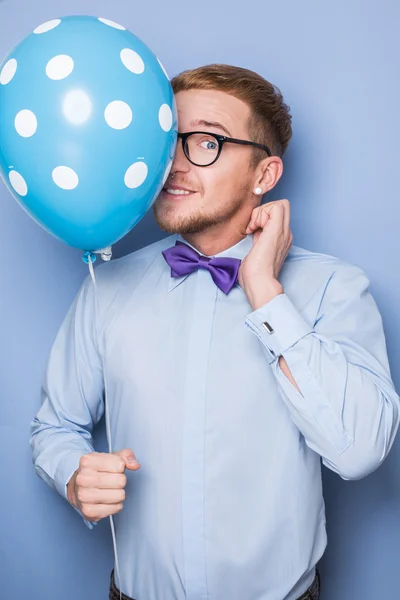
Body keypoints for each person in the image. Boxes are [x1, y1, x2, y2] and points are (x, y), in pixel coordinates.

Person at [30, 64, 399, 600]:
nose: (173, 164)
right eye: (165, 140)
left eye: (205, 142)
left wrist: (265, 292)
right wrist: (72, 474)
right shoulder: (105, 286)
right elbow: (54, 426)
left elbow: (362, 450)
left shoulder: (332, 288)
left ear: (264, 176)